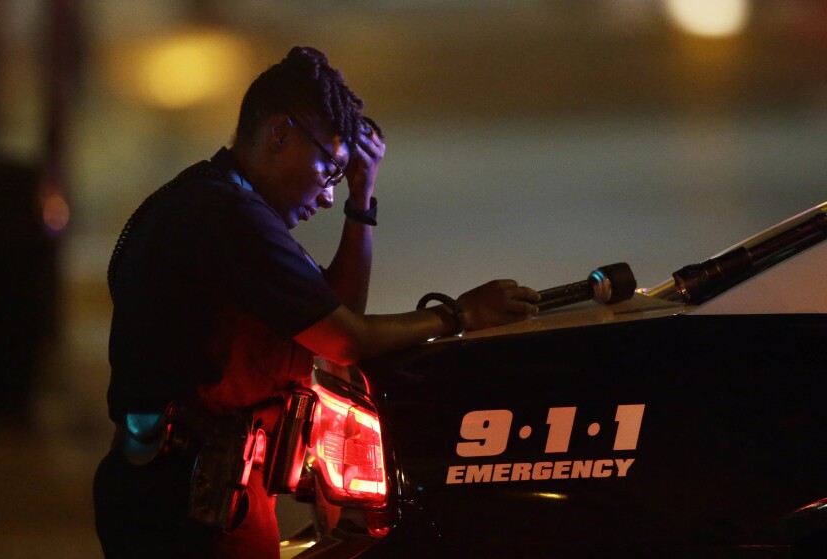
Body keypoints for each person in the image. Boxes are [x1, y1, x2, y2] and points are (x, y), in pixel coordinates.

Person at [93, 46, 540, 558]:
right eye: (329, 169)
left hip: (184, 495)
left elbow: (331, 311)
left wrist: (361, 199)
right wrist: (460, 314)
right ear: (280, 134)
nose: (328, 195)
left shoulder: (221, 204)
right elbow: (347, 339)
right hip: (186, 512)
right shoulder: (227, 217)